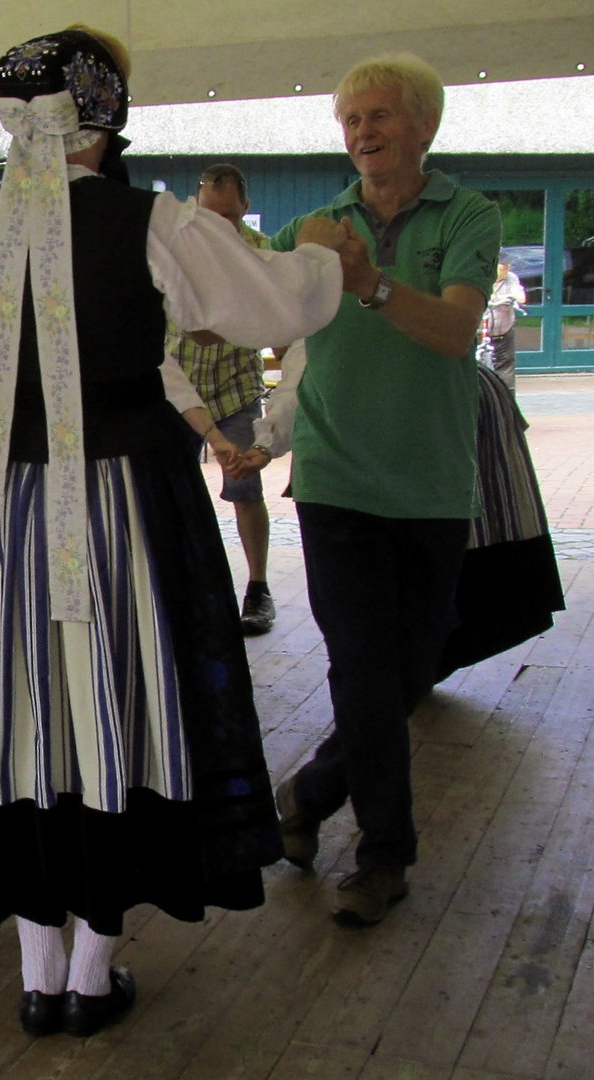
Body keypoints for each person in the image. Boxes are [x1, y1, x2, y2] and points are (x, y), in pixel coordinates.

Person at [0, 27, 345, 1039]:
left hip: (9, 516)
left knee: (24, 716)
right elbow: (275, 303)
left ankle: (41, 973)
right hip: (122, 508)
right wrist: (324, 254)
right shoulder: (151, 223)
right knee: (118, 703)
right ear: (105, 118)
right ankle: (89, 974)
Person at [240, 53, 502, 927]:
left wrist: (369, 284)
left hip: (430, 481)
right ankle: (384, 856)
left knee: (411, 674)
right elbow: (251, 302)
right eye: (350, 122)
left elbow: (456, 328)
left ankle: (306, 795)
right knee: (361, 669)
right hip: (336, 476)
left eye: (378, 118)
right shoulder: (316, 223)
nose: (361, 135)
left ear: (422, 125)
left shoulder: (467, 214)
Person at [164, 164, 279, 634]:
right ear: (196, 209)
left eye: (228, 217)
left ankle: (258, 589)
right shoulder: (173, 251)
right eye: (209, 215)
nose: (218, 226)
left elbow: (273, 327)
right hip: (181, 392)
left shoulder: (263, 256)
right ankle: (185, 588)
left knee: (245, 489)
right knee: (173, 491)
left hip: (236, 388)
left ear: (245, 211)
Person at [485, 256, 525, 390]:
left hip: (504, 329)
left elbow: (521, 297)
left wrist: (505, 298)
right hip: (482, 329)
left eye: (509, 265)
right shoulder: (483, 275)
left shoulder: (511, 278)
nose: (507, 268)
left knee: (506, 367)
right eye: (504, 265)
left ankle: (508, 400)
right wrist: (498, 297)